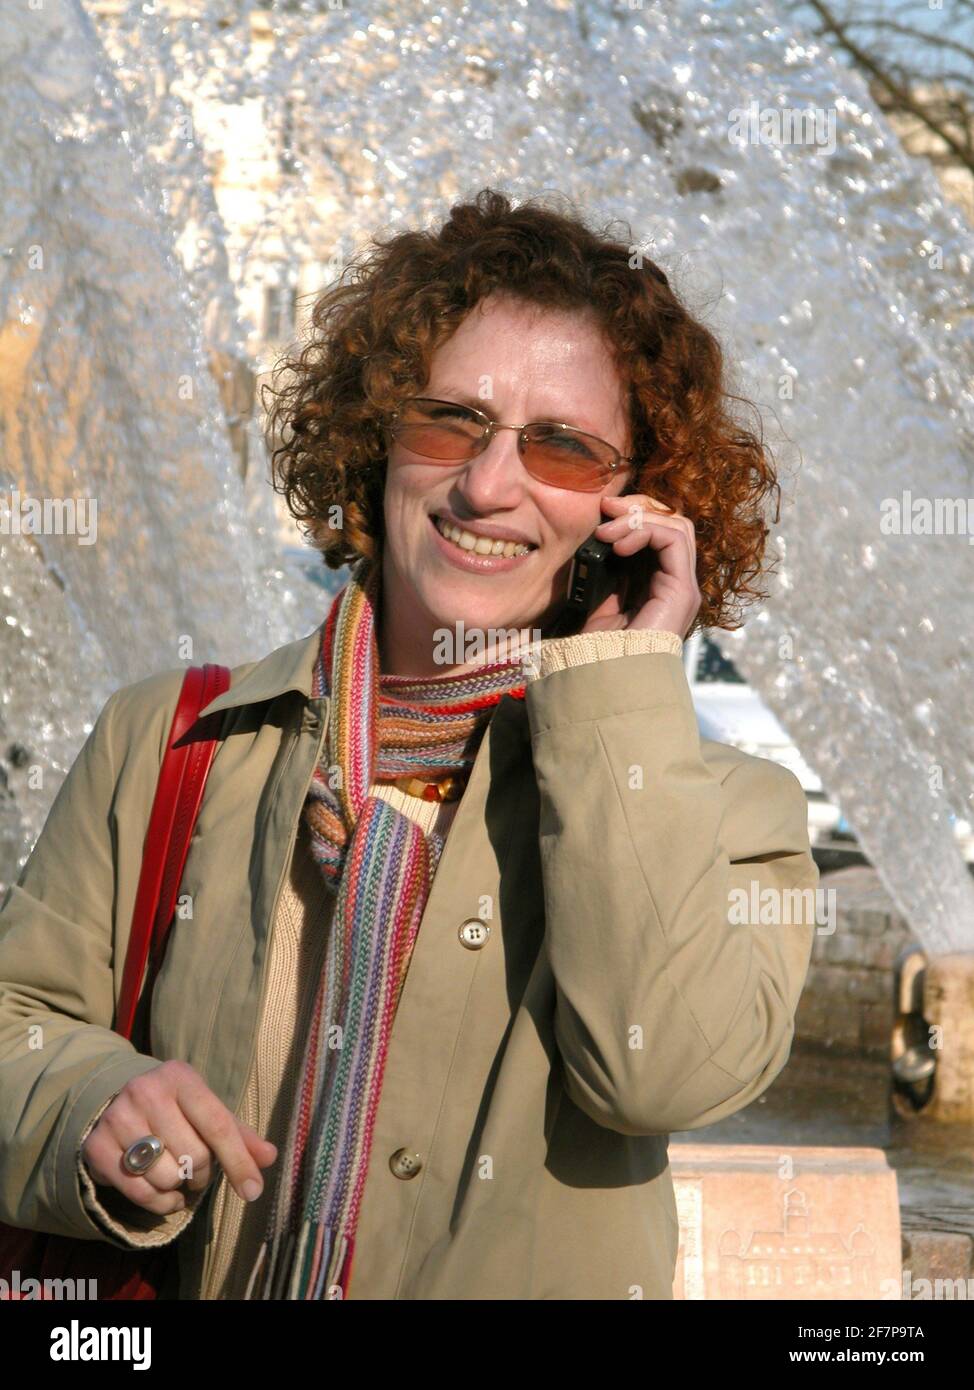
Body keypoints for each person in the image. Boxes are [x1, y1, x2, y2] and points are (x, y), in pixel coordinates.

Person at [0, 187, 819, 1300]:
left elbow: (654, 1071)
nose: (487, 486)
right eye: (448, 422)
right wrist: (88, 1099)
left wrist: (622, 685)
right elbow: (15, 1022)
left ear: (633, 507)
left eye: (564, 450)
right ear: (375, 437)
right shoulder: (171, 739)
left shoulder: (733, 815)